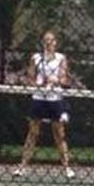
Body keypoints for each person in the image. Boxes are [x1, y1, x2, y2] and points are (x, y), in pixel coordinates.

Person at [14, 31, 74, 178]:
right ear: (42, 43)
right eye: (46, 40)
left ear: (55, 43)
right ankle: (22, 166)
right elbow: (30, 77)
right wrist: (38, 84)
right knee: (32, 133)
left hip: (55, 99)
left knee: (59, 134)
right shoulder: (36, 58)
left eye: (51, 40)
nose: (48, 43)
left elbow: (64, 79)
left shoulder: (60, 58)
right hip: (39, 98)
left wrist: (55, 81)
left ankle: (67, 168)